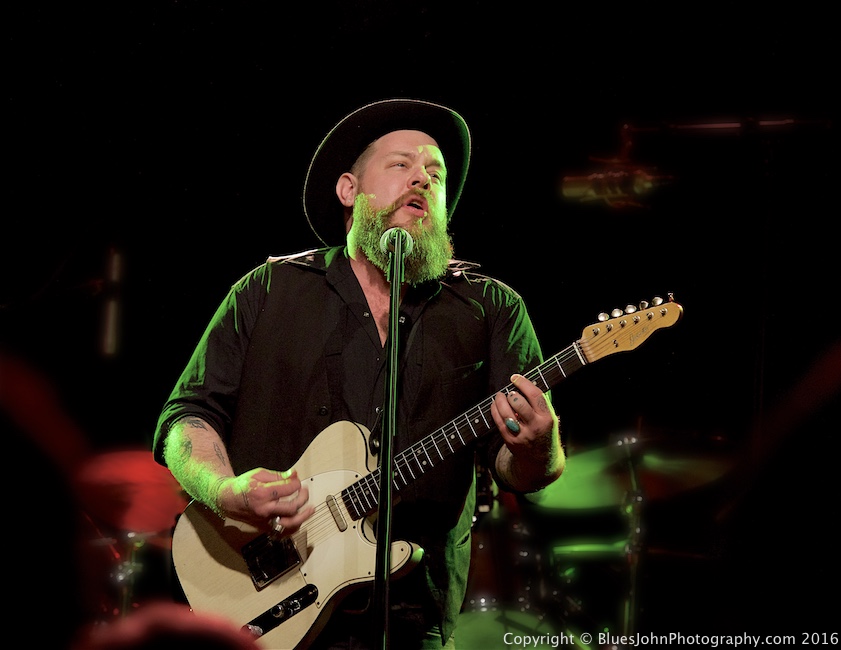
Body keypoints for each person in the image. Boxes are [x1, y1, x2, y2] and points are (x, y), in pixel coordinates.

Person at [152, 98, 565, 649]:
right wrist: (225, 490)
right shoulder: (269, 290)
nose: (422, 178)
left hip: (411, 610)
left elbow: (524, 470)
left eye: (435, 175)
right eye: (400, 165)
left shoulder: (490, 308)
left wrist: (540, 445)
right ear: (349, 191)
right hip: (262, 598)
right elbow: (187, 417)